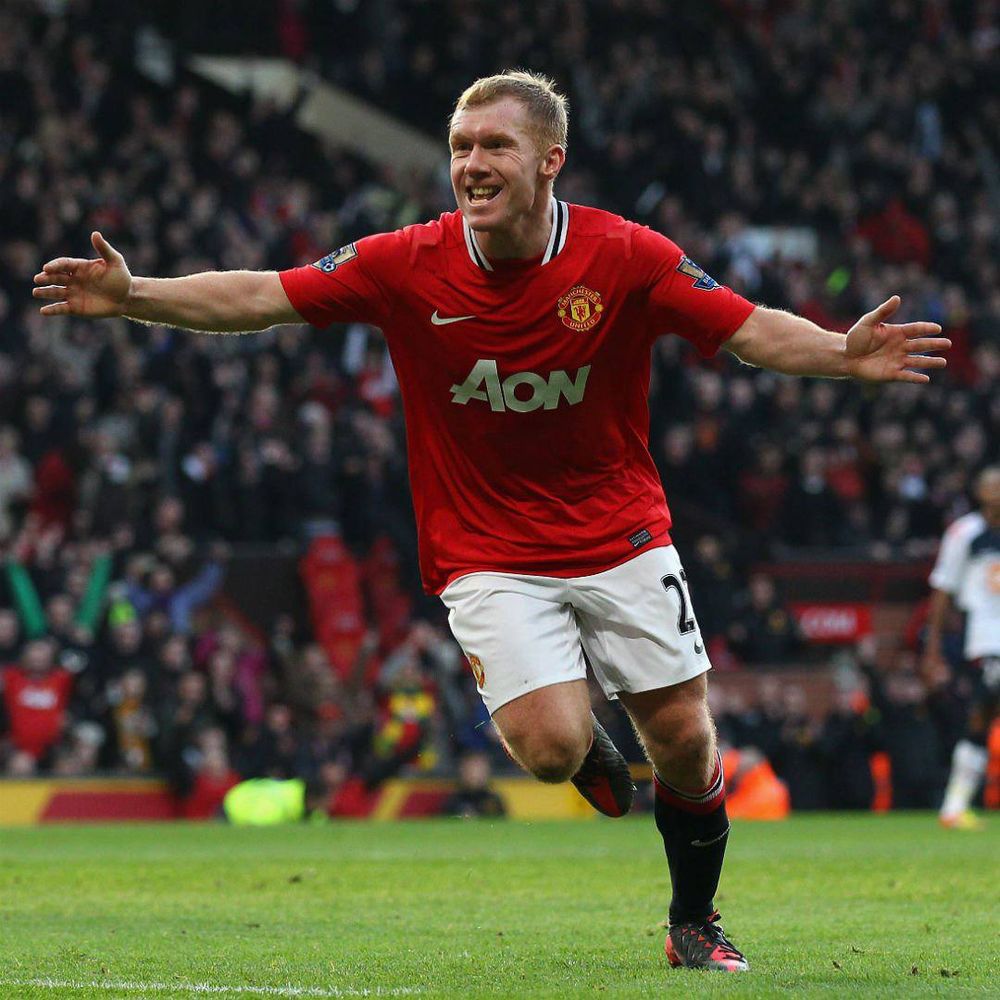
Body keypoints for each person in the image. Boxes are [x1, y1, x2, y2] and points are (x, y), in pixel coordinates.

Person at [32, 71, 950, 974]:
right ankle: (582, 742)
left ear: (550, 160)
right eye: (460, 147)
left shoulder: (626, 255)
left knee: (682, 737)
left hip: (620, 533)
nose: (471, 164)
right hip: (486, 549)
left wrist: (840, 354)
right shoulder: (404, 261)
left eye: (494, 146)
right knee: (549, 752)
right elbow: (263, 295)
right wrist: (136, 294)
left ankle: (693, 922)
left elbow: (745, 327)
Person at [923, 466, 1000, 830]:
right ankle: (954, 805)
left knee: (982, 718)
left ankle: (954, 806)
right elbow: (942, 590)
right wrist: (932, 649)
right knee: (983, 709)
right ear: (980, 493)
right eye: (992, 487)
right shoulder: (965, 533)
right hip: (986, 638)